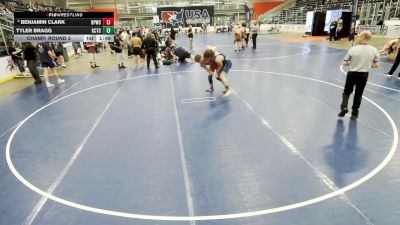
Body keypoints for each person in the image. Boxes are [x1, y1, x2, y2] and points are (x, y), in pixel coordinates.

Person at [338, 31, 380, 120]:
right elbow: (376, 65)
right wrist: (367, 65)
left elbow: (344, 63)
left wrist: (352, 62)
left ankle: (344, 107)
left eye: (359, 36)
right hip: (364, 75)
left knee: (347, 91)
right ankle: (355, 113)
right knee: (359, 93)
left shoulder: (353, 49)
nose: (357, 37)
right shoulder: (374, 50)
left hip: (352, 73)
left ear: (364, 37)